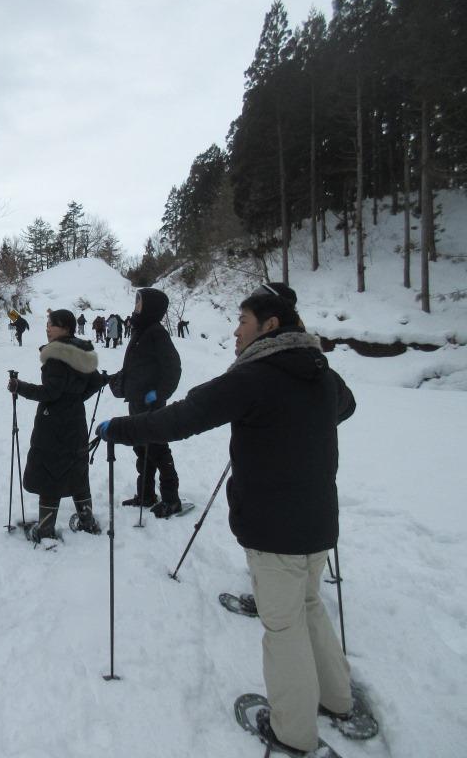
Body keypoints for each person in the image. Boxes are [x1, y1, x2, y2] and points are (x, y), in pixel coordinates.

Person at [98, 282, 355, 754]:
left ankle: (294, 732)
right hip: (318, 521)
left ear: (269, 326)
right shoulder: (320, 371)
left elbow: (183, 418)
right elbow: (346, 405)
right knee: (309, 607)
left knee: (283, 627)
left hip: (275, 527)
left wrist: (121, 428)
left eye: (242, 322)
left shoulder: (254, 376)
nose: (235, 332)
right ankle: (339, 700)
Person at [9, 309, 104, 542]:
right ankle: (87, 521)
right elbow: (95, 383)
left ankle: (44, 530)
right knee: (77, 469)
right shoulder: (83, 352)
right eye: (48, 324)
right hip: (75, 420)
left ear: (66, 327)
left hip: (52, 423)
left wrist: (19, 387)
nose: (47, 327)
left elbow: (50, 392)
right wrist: (74, 399)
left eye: (52, 324)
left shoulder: (56, 355)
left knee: (50, 470)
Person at [108, 288, 182, 516]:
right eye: (136, 301)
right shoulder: (140, 332)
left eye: (139, 302)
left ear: (150, 307)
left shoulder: (156, 333)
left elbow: (173, 369)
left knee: (158, 449)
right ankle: (146, 494)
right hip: (136, 403)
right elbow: (133, 367)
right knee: (142, 449)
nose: (136, 306)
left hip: (151, 406)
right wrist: (113, 379)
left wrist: (158, 394)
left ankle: (172, 499)